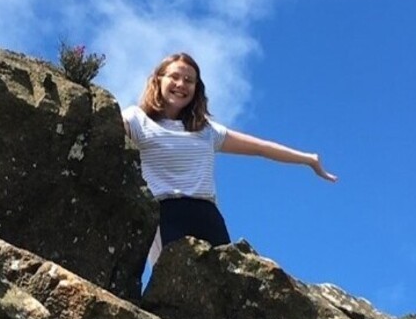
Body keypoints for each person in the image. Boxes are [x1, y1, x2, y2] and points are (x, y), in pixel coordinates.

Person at [121, 52, 337, 265]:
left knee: (224, 282)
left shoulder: (206, 131)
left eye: (189, 80)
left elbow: (261, 148)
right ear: (159, 79)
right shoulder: (137, 119)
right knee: (173, 280)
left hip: (207, 216)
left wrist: (308, 159)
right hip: (165, 214)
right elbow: (106, 128)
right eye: (174, 77)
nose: (181, 84)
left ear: (196, 88)